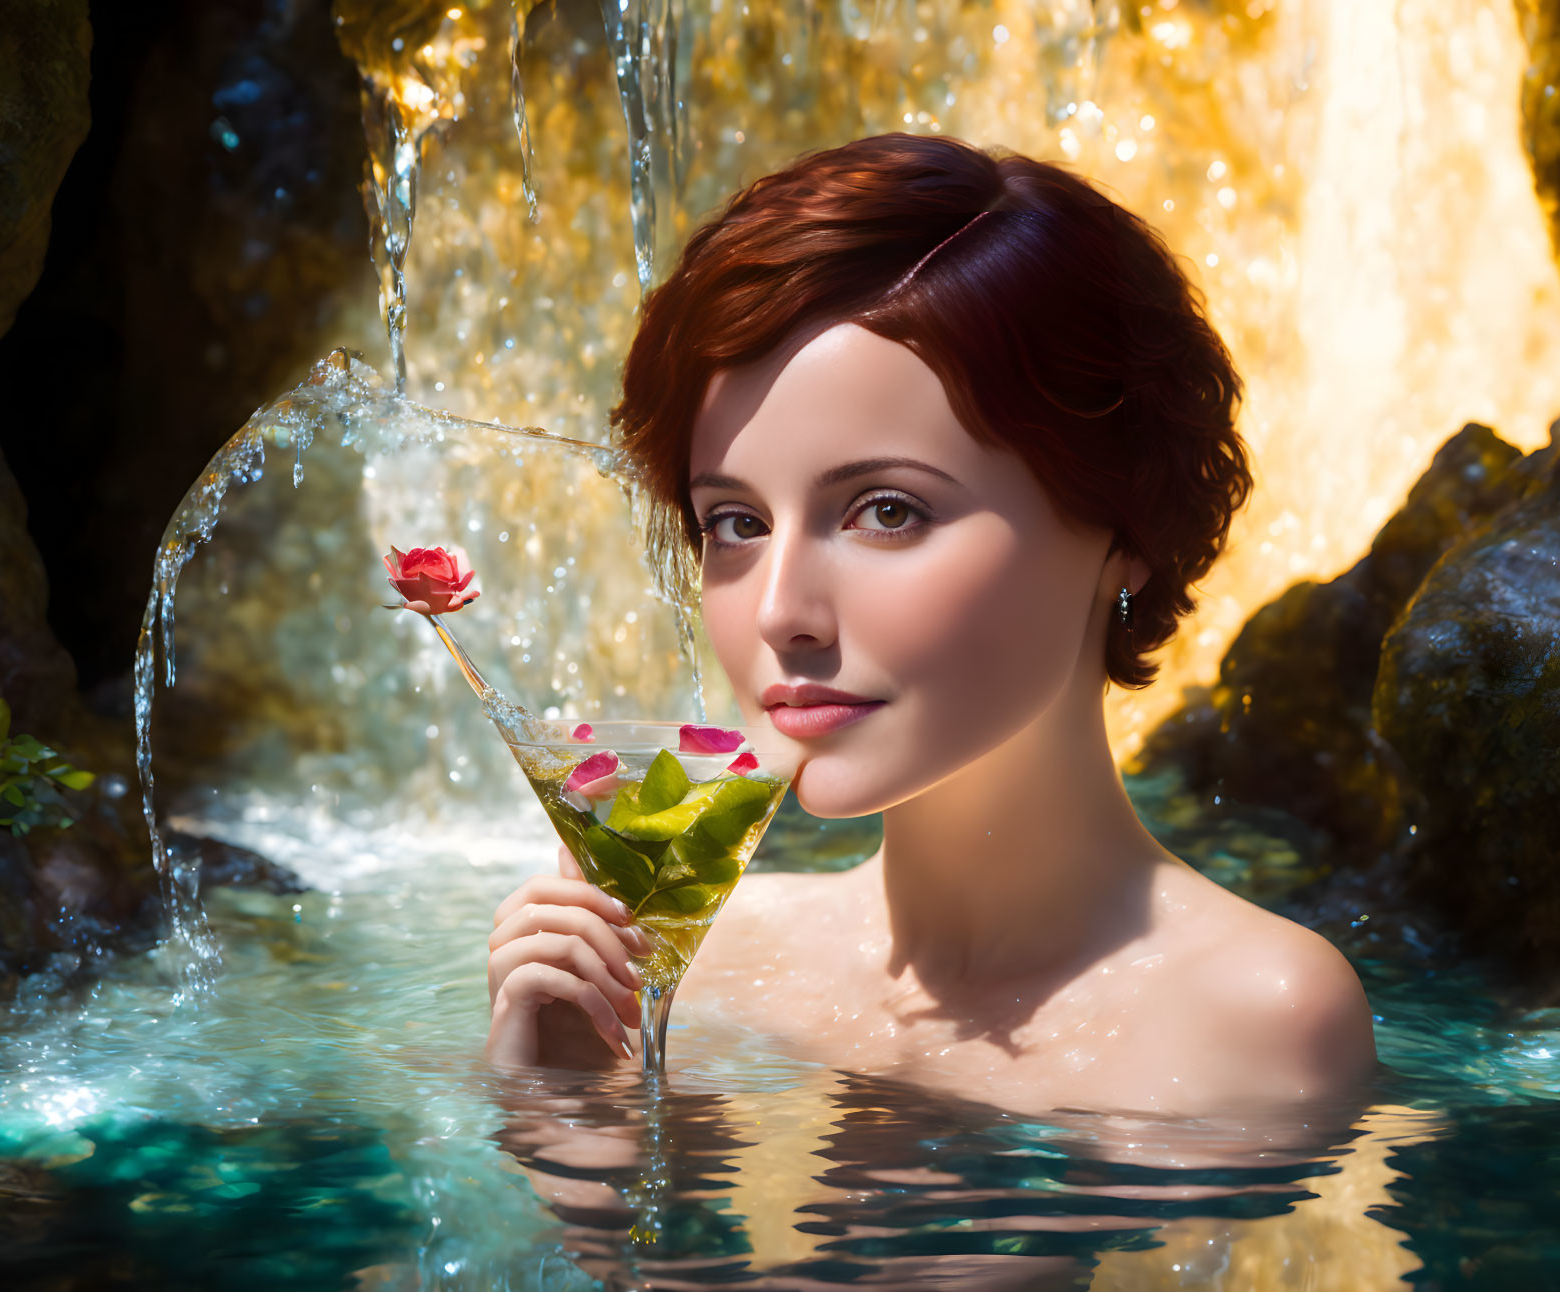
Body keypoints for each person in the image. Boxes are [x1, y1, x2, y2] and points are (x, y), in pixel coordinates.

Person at [483, 132, 1377, 1118]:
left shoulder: (1253, 1019)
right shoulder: (694, 969)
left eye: (886, 511)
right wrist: (562, 1111)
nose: (780, 610)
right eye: (733, 523)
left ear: (1123, 525)